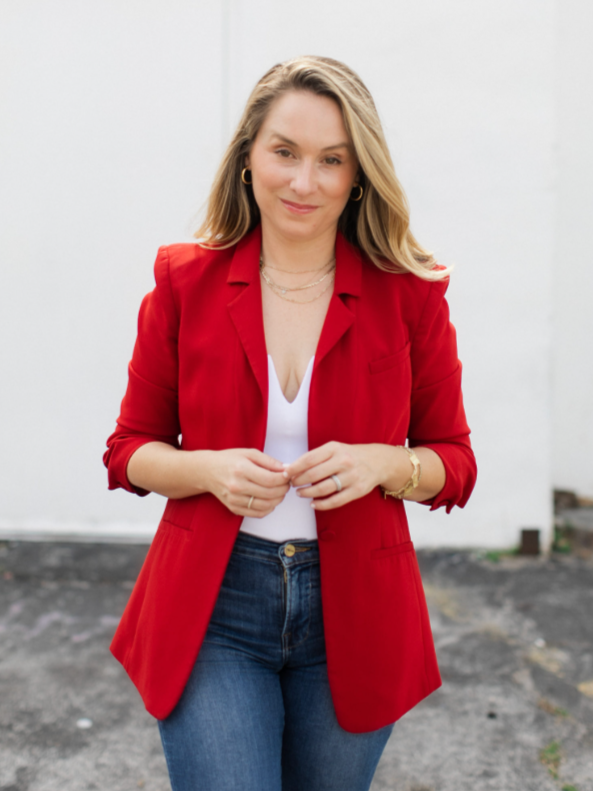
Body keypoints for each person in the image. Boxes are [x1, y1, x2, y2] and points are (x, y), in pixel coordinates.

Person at [103, 55, 477, 791]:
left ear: (356, 175)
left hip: (356, 614)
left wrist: (383, 463)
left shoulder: (410, 294)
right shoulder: (185, 280)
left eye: (330, 160)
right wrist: (205, 469)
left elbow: (453, 461)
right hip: (215, 604)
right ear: (249, 157)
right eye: (285, 152)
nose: (303, 182)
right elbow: (127, 451)